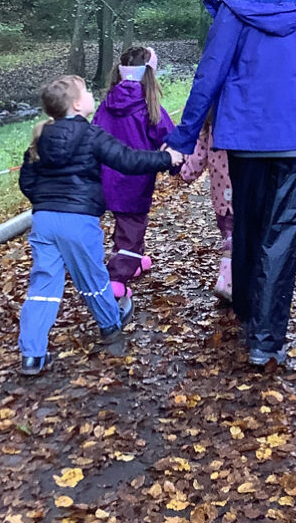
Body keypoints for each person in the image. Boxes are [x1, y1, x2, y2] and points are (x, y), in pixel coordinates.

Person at [164, 0, 296, 368]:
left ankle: (248, 313)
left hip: (244, 137)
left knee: (247, 224)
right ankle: (266, 339)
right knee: (282, 233)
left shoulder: (234, 8)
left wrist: (183, 140)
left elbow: (208, 75)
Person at [17, 75, 182, 376]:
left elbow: (26, 181)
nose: (93, 95)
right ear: (78, 104)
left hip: (44, 219)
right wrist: (165, 158)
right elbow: (128, 160)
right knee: (92, 276)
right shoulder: (92, 135)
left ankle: (32, 353)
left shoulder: (40, 137)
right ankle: (110, 323)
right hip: (78, 219)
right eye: (87, 91)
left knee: (43, 283)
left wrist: (46, 200)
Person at [92, 46, 174, 299]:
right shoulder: (149, 108)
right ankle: (117, 277)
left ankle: (135, 261)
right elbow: (168, 138)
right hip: (135, 181)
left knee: (126, 223)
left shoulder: (105, 105)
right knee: (132, 228)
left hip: (106, 177)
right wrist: (176, 164)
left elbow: (94, 134)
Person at [179, 114, 234, 302]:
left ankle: (227, 279)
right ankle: (228, 282)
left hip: (221, 195)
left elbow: (199, 154)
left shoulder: (210, 122)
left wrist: (185, 173)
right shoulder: (242, 119)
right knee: (245, 237)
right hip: (246, 191)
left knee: (229, 235)